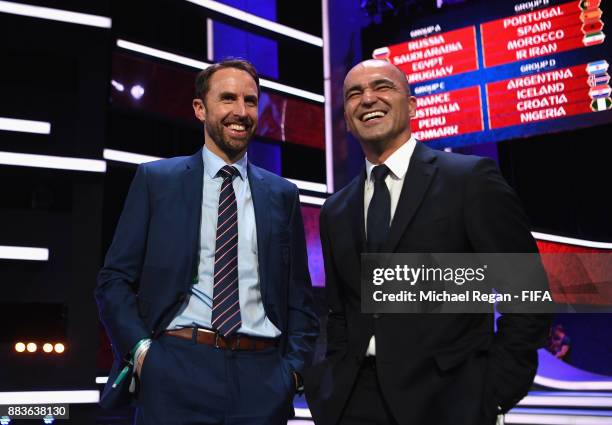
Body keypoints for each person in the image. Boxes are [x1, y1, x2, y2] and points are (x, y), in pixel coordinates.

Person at [305, 59, 550, 425]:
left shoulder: (469, 180)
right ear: (346, 118)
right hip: (353, 402)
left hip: (449, 401)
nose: (368, 98)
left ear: (413, 105)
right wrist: (328, 387)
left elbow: (527, 292)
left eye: (382, 87)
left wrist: (494, 392)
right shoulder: (335, 209)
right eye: (354, 93)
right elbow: (339, 313)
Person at [95, 58, 319, 425]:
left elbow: (299, 297)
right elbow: (113, 280)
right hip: (175, 367)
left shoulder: (282, 194)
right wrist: (142, 353)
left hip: (263, 377)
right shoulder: (157, 181)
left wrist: (291, 372)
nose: (241, 111)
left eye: (250, 100)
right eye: (228, 98)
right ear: (201, 108)